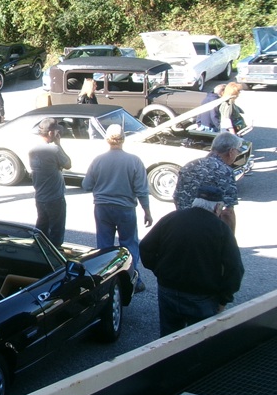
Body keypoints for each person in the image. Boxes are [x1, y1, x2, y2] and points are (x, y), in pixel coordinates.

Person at [140, 185, 244, 336]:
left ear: (195, 201)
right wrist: (224, 299)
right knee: (199, 341)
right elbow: (235, 268)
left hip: (168, 289)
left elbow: (145, 247)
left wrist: (159, 271)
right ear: (217, 207)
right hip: (202, 296)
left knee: (168, 339)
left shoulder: (171, 218)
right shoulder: (221, 229)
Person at [82, 124, 152, 293]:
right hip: (125, 208)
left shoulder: (98, 160)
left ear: (107, 139)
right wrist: (147, 212)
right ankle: (133, 280)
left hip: (102, 208)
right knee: (129, 245)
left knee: (104, 246)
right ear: (123, 139)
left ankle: (104, 281)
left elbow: (86, 185)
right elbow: (141, 190)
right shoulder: (134, 161)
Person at [173, 131, 241, 231]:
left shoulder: (189, 165)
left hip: (183, 224)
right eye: (238, 151)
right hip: (207, 229)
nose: (237, 154)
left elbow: (176, 197)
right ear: (231, 152)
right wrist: (230, 237)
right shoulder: (225, 171)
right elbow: (228, 212)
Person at [28, 118, 72, 246]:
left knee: (42, 227)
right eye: (56, 131)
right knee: (57, 230)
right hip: (55, 197)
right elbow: (68, 164)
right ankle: (55, 252)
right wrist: (58, 144)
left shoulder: (32, 151)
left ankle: (38, 249)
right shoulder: (54, 149)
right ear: (51, 133)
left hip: (40, 196)